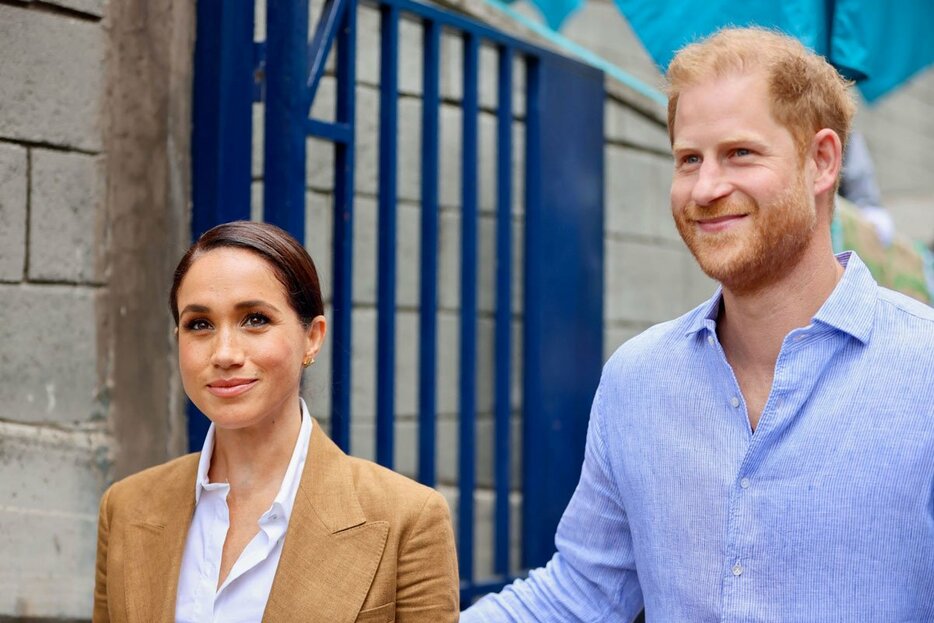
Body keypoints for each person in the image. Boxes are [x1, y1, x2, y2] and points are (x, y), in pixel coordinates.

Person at [463, 27, 934, 622]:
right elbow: (577, 596)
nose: (706, 188)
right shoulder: (637, 379)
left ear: (822, 161)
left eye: (740, 152)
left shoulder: (924, 371)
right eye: (689, 159)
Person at [92, 221, 459, 622]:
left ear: (312, 337)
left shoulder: (408, 519)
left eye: (255, 320)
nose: (225, 353)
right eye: (200, 324)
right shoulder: (126, 508)